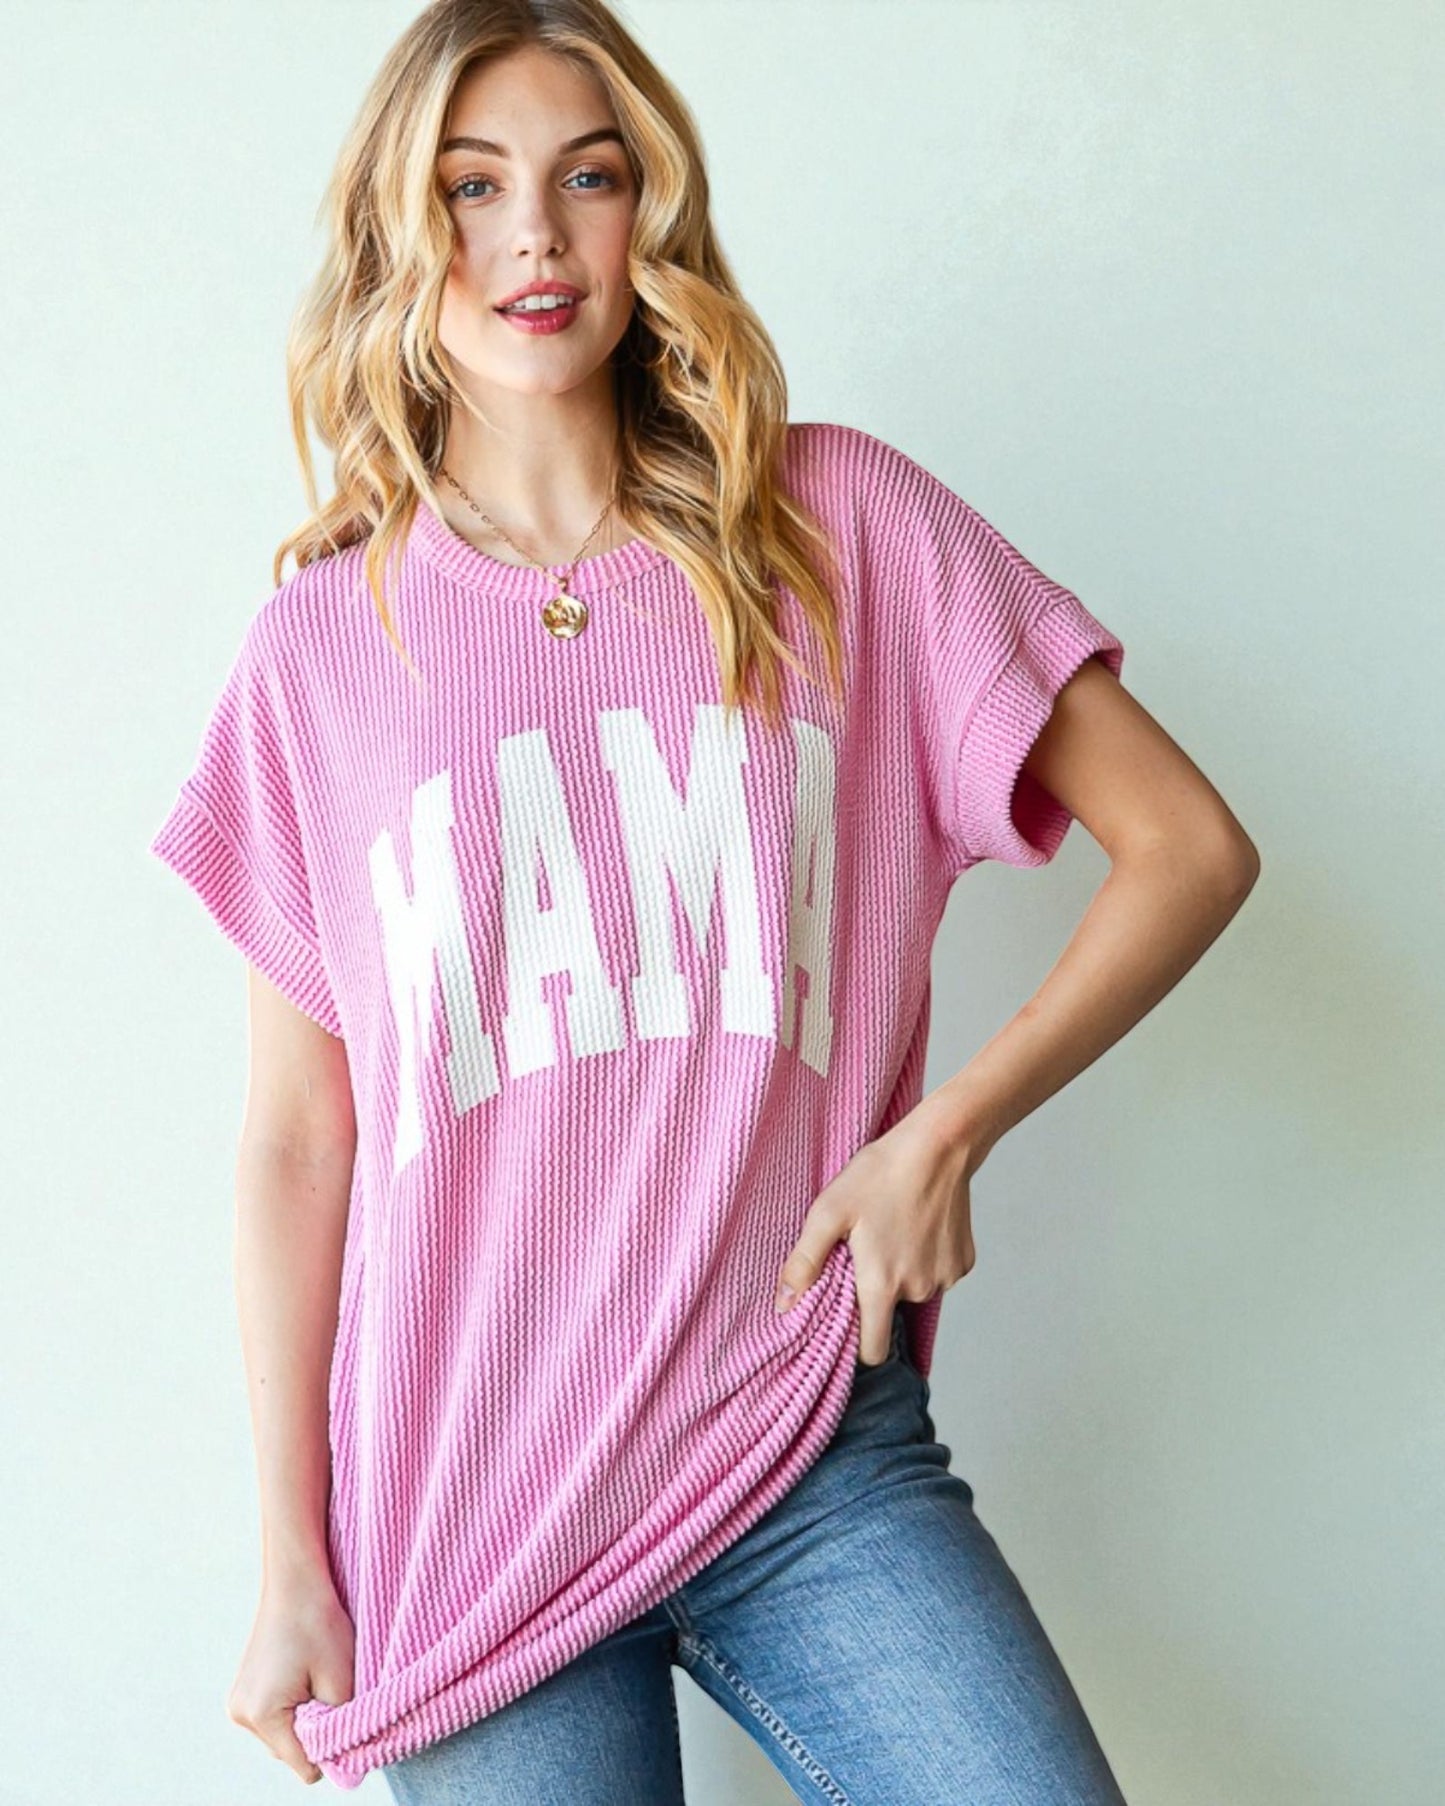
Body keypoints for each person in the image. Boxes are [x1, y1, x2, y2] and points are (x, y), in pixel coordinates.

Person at [147, 2, 1259, 1800]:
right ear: (394, 228)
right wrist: (291, 1559)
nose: (533, 234)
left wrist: (945, 1132)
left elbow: (1190, 847)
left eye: (587, 176)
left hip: (807, 1444)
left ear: (645, 212)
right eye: (471, 182)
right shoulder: (320, 658)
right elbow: (296, 1140)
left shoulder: (836, 531)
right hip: (472, 1502)